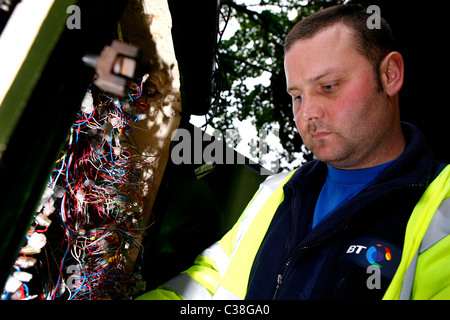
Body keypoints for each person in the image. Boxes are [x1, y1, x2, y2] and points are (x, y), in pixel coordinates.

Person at [137, 3, 450, 300]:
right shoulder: (275, 191)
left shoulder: (442, 209)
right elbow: (210, 278)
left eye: (328, 86)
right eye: (297, 96)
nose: (308, 113)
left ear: (390, 74)